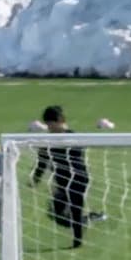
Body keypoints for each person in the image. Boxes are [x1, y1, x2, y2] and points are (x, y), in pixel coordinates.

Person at [31, 105, 100, 248]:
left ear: (61, 121)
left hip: (78, 179)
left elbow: (77, 156)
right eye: (48, 123)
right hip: (62, 182)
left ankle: (77, 242)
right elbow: (42, 161)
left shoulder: (72, 137)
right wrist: (36, 178)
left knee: (75, 210)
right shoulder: (47, 142)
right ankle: (87, 220)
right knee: (55, 213)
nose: (50, 127)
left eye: (52, 123)